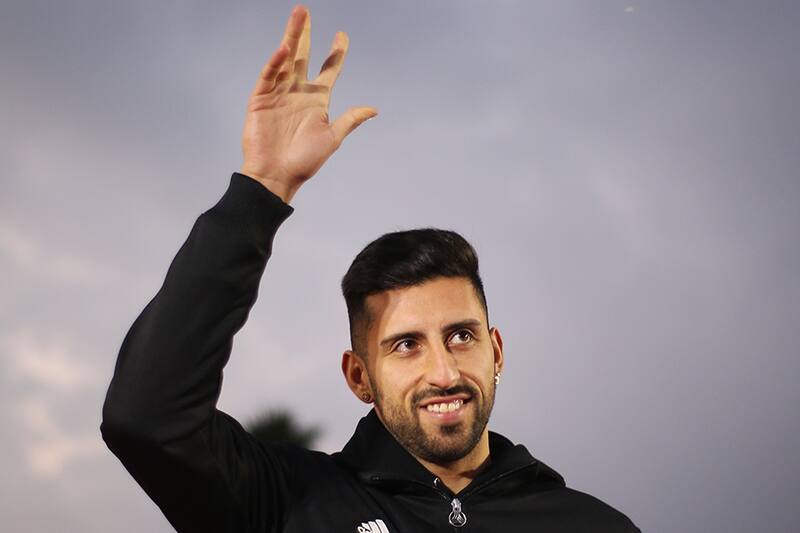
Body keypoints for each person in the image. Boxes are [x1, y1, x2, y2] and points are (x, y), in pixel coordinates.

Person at [100, 4, 640, 532]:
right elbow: (147, 418)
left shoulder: (593, 525)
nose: (444, 373)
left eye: (460, 336)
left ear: (496, 351)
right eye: (406, 345)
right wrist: (263, 187)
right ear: (359, 377)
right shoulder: (283, 501)